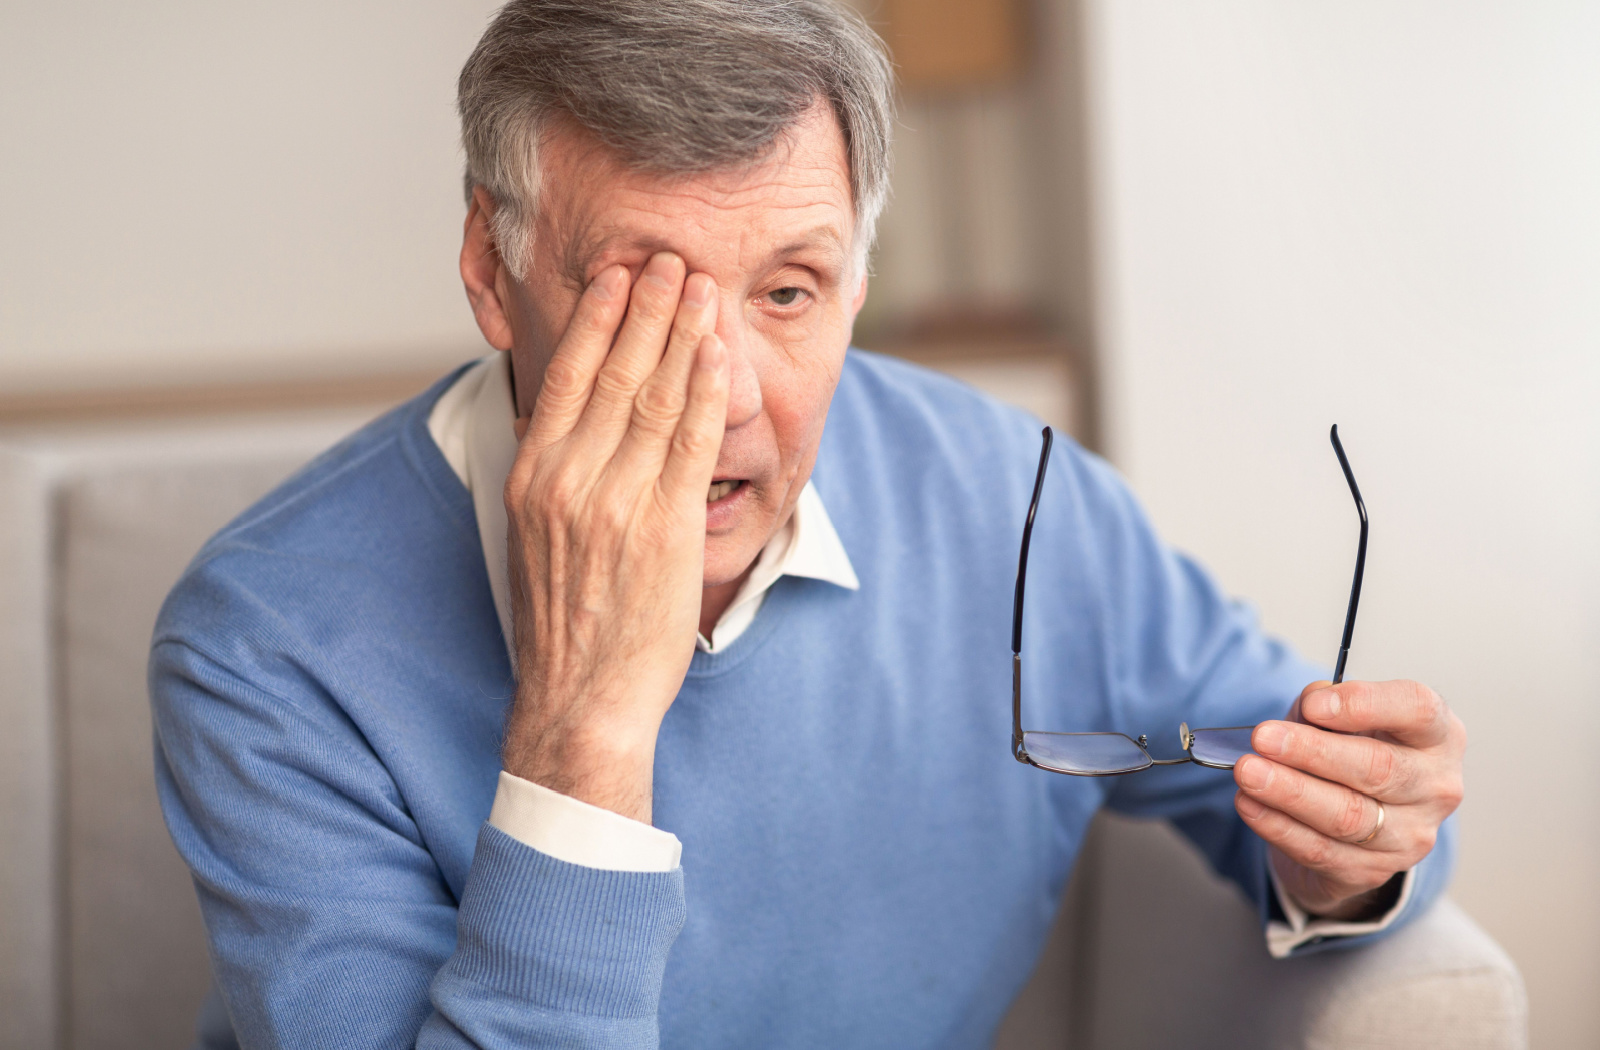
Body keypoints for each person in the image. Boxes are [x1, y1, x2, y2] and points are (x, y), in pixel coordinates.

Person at [150, 2, 1466, 1047]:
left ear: (860, 284)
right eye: (636, 296)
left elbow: (1320, 812)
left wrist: (1361, 841)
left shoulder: (1015, 501)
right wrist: (588, 726)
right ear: (493, 276)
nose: (719, 395)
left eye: (788, 291)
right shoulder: (266, 639)